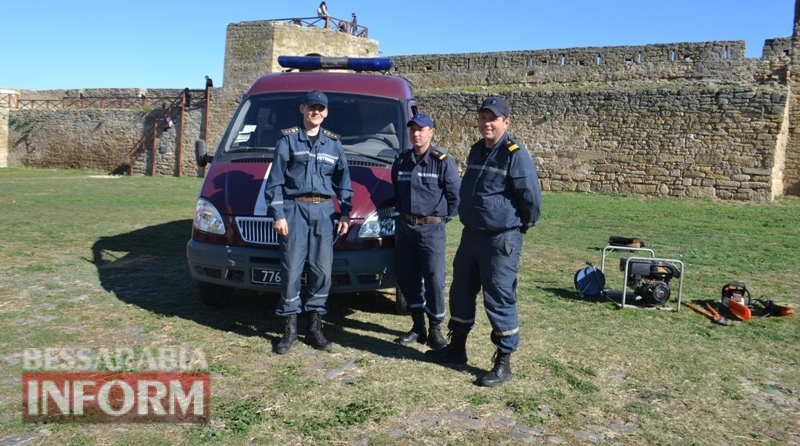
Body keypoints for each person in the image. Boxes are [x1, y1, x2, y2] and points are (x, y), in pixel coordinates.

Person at [425, 96, 541, 387]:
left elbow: (531, 199)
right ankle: (457, 348)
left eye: (493, 118)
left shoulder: (515, 154)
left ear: (506, 122)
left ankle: (503, 361)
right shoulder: (476, 150)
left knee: (499, 298)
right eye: (483, 118)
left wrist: (518, 226)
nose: (487, 123)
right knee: (461, 292)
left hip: (500, 241)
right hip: (471, 236)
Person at [265, 90, 353, 355]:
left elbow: (343, 181)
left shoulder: (334, 144)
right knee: (291, 269)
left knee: (322, 271)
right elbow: (276, 181)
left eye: (321, 108)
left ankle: (314, 327)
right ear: (303, 109)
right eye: (312, 107)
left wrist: (346, 212)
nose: (316, 112)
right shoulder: (288, 141)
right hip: (294, 210)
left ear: (326, 112)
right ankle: (289, 329)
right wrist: (278, 214)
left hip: (324, 212)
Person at [391, 113, 461, 350]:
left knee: (434, 279)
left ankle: (435, 329)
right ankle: (417, 326)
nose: (416, 134)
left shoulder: (441, 161)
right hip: (406, 228)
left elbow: (455, 197)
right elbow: (396, 191)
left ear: (431, 132)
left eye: (421, 130)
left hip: (432, 230)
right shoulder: (401, 161)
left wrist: (439, 220)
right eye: (413, 130)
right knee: (407, 277)